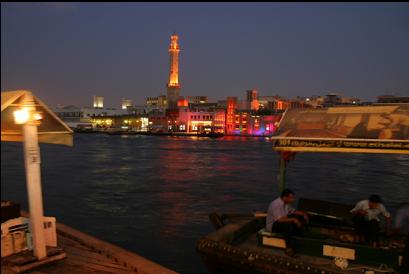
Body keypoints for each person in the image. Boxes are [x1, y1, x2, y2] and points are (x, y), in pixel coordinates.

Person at [266, 188, 309, 255]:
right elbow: (279, 220)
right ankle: (288, 248)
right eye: (291, 198)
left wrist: (303, 214)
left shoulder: (287, 204)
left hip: (282, 221)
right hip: (273, 225)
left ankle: (300, 233)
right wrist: (294, 220)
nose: (293, 200)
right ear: (285, 197)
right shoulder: (276, 204)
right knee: (287, 224)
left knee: (299, 217)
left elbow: (293, 211)